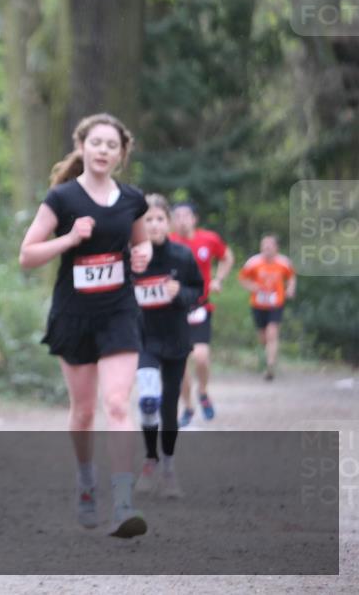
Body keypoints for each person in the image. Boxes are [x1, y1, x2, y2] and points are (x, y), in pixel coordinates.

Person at [18, 112, 152, 539]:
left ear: (121, 154)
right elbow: (28, 255)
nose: (103, 151)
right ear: (82, 146)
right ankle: (86, 479)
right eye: (96, 142)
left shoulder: (133, 199)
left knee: (116, 403)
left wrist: (144, 253)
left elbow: (141, 239)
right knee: (83, 411)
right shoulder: (61, 199)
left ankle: (124, 501)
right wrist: (70, 239)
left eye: (112, 145)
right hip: (74, 316)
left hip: (119, 313)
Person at [132, 195, 204, 498]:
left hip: (176, 339)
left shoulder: (182, 256)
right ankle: (150, 460)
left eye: (160, 218)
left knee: (170, 407)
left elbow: (198, 290)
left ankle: (169, 468)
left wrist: (180, 293)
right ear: (140, 224)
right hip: (144, 339)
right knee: (148, 400)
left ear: (169, 222)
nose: (154, 224)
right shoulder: (133, 257)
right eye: (147, 219)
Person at [170, 202, 234, 427]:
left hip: (200, 308)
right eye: (176, 216)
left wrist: (218, 279)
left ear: (194, 219)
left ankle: (203, 391)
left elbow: (227, 257)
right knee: (179, 363)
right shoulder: (167, 243)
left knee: (201, 356)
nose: (181, 220)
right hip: (174, 310)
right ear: (171, 221)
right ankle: (187, 406)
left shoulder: (208, 239)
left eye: (186, 215)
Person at [238, 234, 296, 381]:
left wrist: (290, 289)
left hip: (276, 303)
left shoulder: (284, 262)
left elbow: (291, 277)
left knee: (272, 333)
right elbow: (242, 279)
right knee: (263, 337)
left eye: (270, 245)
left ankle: (270, 366)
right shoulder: (253, 262)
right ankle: (269, 357)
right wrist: (252, 286)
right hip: (258, 304)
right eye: (264, 245)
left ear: (276, 247)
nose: (267, 248)